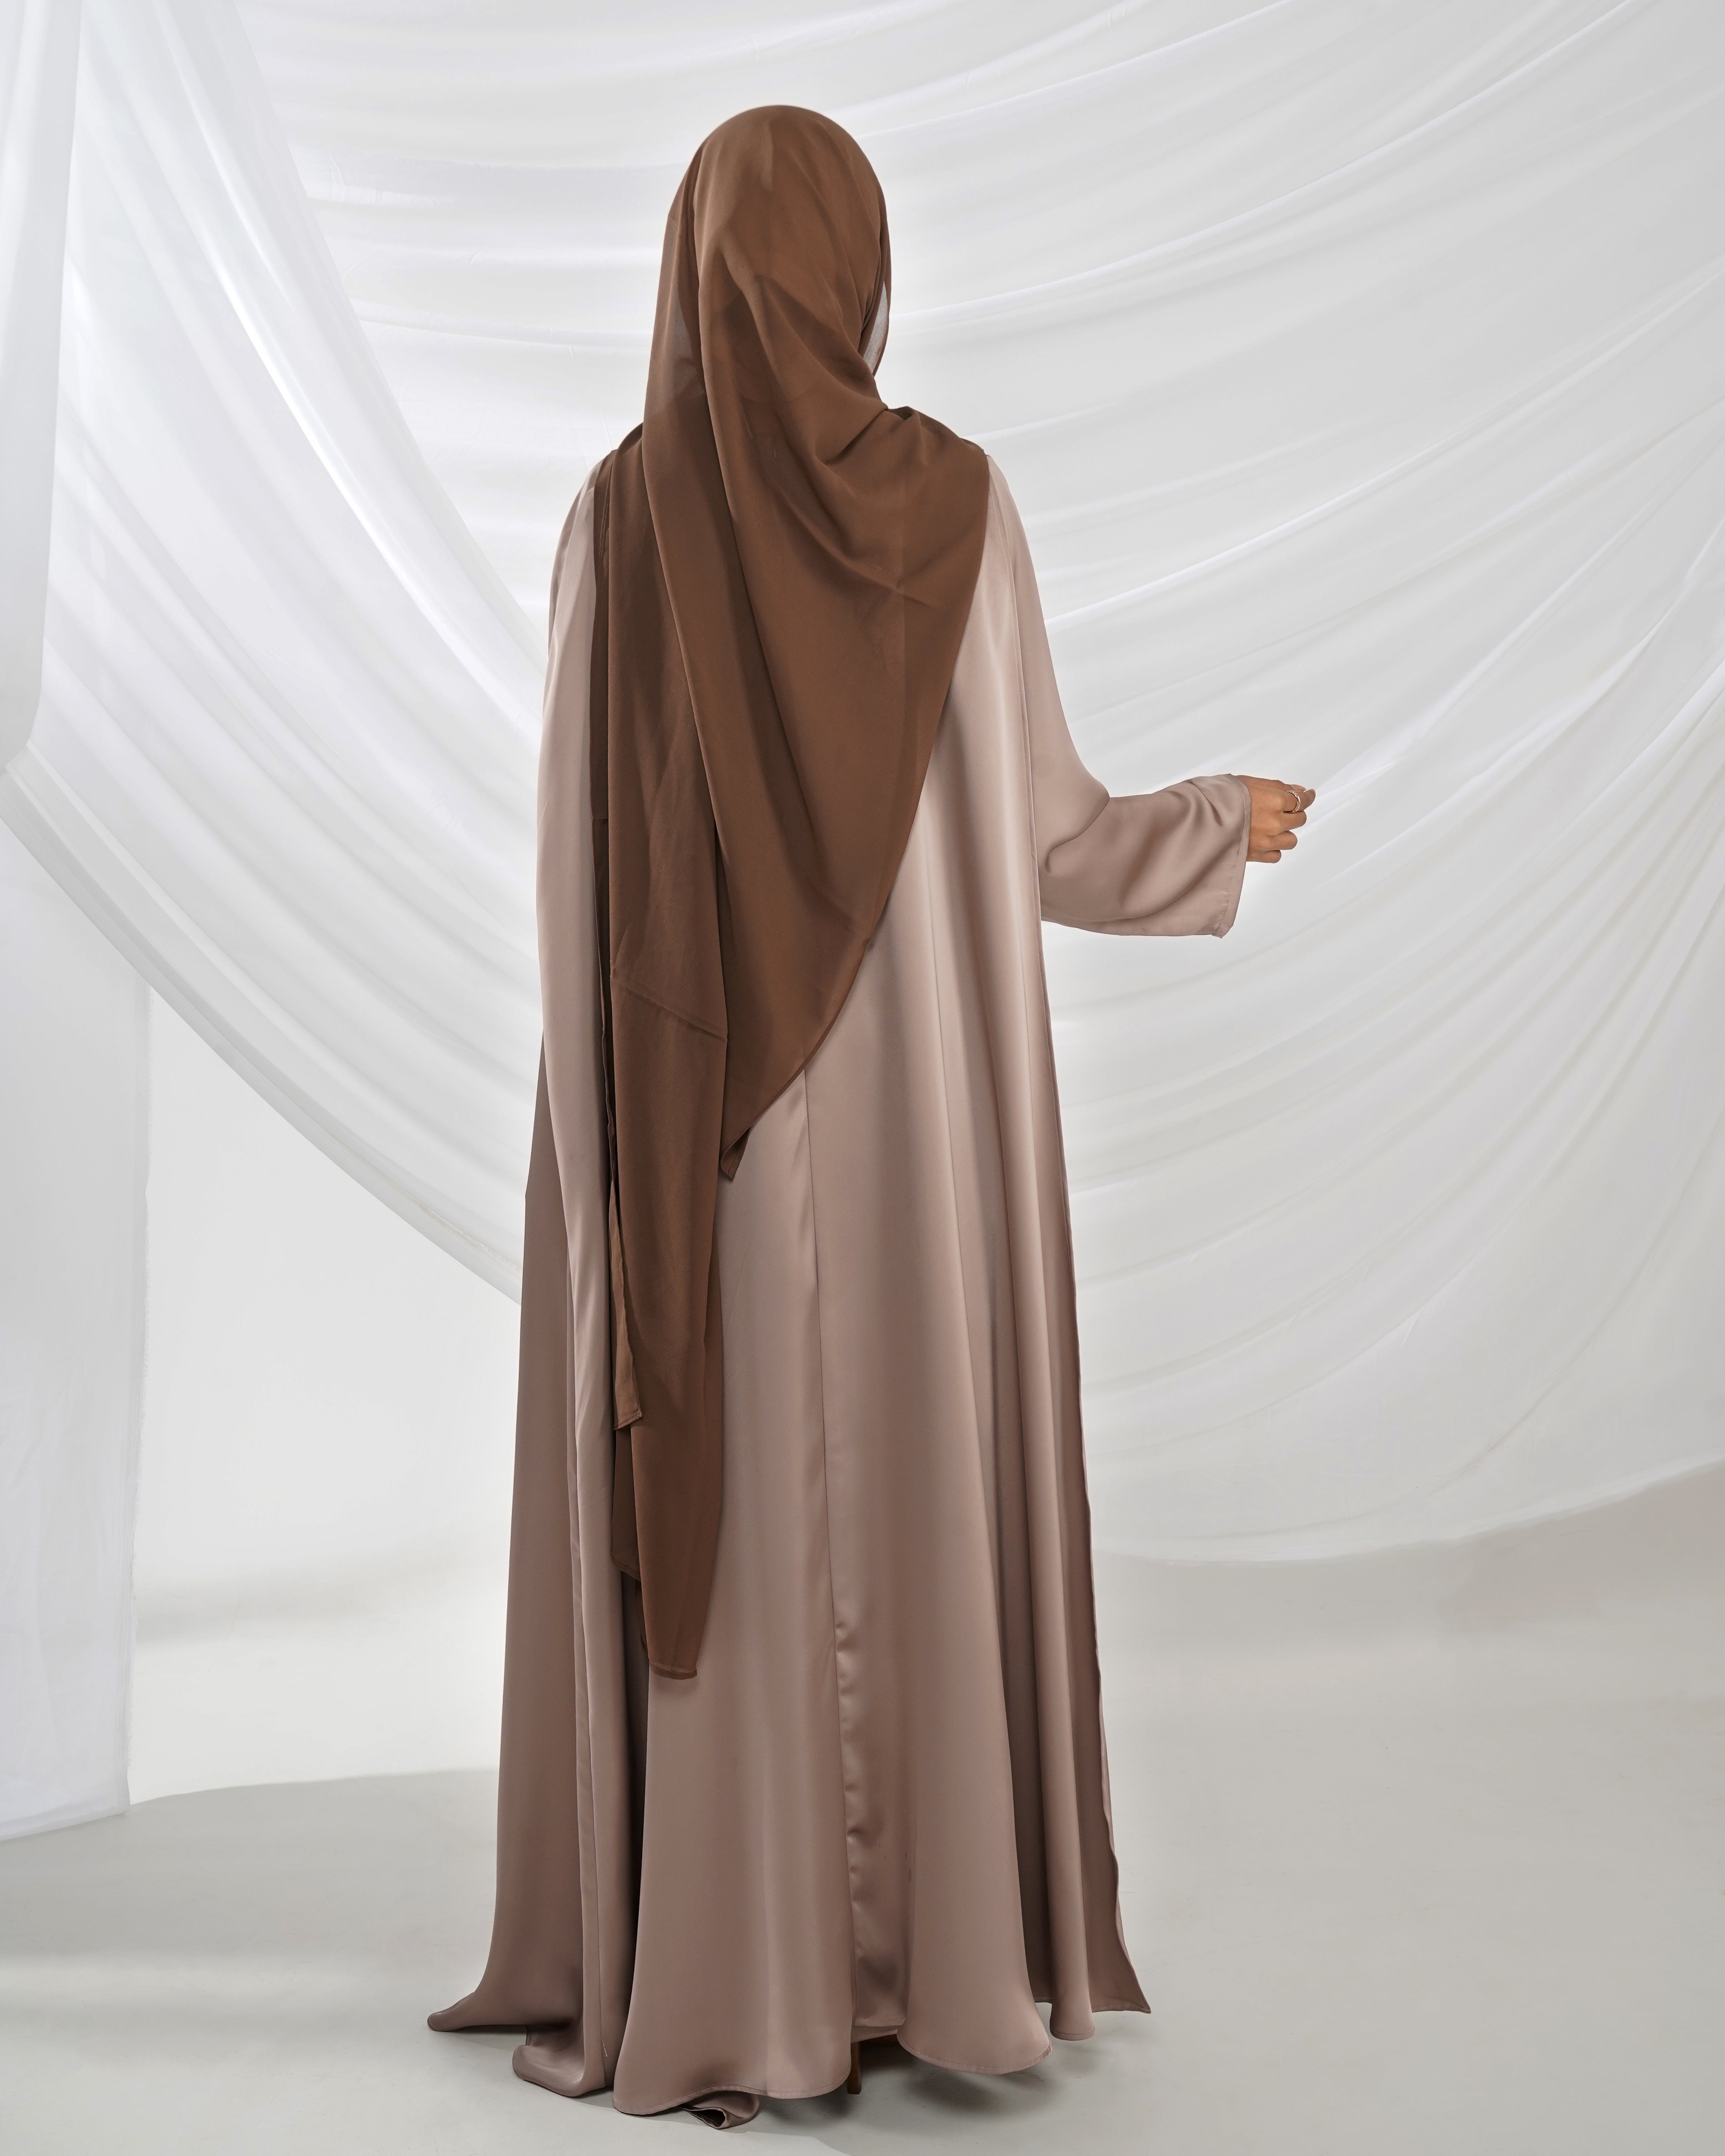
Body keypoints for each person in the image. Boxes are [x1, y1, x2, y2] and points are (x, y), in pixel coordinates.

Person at [430, 104, 1312, 2129]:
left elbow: (569, 873)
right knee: (910, 1483)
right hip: (913, 1142)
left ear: (688, 269)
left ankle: (726, 1971)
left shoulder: (620, 519)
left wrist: (610, 1154)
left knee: (739, 1518)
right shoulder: (957, 515)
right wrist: (1210, 823)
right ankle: (929, 1953)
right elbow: (1047, 834)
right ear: (861, 272)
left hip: (703, 1137)